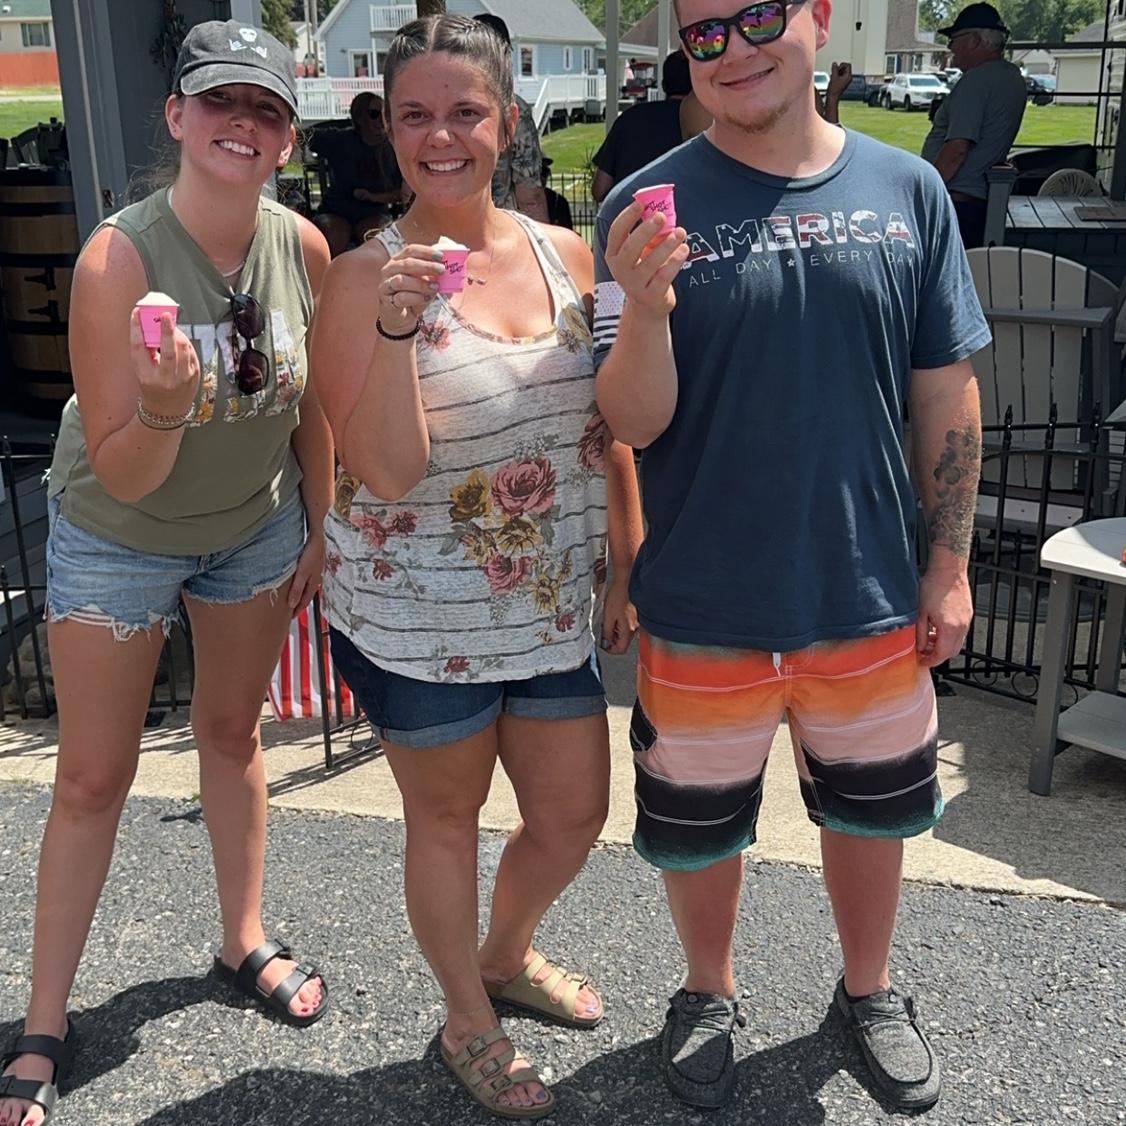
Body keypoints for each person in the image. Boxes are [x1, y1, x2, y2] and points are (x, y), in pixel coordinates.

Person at [594, 0, 989, 1113]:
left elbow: (944, 393)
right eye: (703, 34)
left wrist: (947, 565)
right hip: (702, 596)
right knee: (698, 830)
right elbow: (627, 420)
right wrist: (643, 310)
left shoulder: (906, 190)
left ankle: (867, 992)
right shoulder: (639, 203)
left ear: (820, 16)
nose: (734, 50)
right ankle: (707, 992)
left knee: (870, 817)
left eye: (758, 16)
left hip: (863, 592)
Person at [0, 21, 334, 1126]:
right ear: (177, 116)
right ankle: (44, 1016)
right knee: (94, 776)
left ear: (286, 136)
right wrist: (162, 402)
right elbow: (130, 474)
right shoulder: (117, 259)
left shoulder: (304, 248)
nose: (243, 124)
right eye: (221, 102)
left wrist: (321, 526)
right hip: (117, 532)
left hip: (253, 527)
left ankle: (242, 937)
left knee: (234, 739)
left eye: (266, 109)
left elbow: (313, 407)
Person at [312, 14, 642, 1121]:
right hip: (416, 616)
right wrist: (401, 334)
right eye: (416, 115)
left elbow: (609, 426)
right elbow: (386, 470)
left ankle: (503, 954)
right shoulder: (362, 278)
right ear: (388, 134)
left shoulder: (568, 252)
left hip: (546, 603)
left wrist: (623, 560)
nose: (441, 135)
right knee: (446, 821)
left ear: (505, 121)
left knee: (571, 816)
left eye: (464, 111)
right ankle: (466, 1014)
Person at [920, 2, 1026, 248]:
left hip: (956, 204)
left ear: (975, 41)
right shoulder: (1012, 78)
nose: (951, 48)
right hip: (979, 206)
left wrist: (925, 195)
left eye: (954, 39)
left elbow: (957, 149)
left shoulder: (976, 81)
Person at [473, 13, 551, 223]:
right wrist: (544, 245)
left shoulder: (441, 107)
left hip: (445, 232)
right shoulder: (514, 111)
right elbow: (530, 195)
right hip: (499, 229)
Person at [310, 90, 405, 256]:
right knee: (333, 236)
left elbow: (402, 193)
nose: (381, 119)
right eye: (374, 114)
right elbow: (302, 136)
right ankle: (327, 279)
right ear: (360, 118)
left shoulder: (394, 148)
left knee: (376, 237)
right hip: (336, 210)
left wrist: (373, 197)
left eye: (385, 113)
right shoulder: (341, 140)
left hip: (374, 211)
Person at [592, 51, 692, 204]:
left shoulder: (629, 118)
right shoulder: (704, 128)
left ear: (664, 85)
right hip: (680, 223)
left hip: (627, 221)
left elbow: (599, 190)